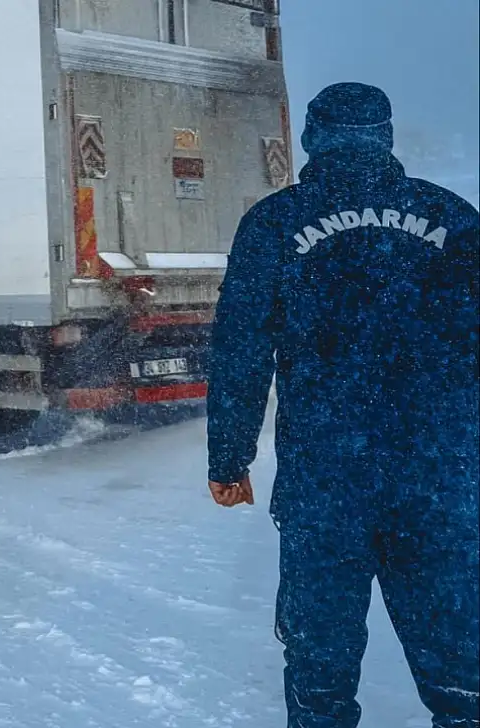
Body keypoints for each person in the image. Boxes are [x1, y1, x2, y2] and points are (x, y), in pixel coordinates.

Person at [206, 81, 479, 727]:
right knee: (462, 674)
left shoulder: (276, 222)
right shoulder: (456, 218)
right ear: (385, 135)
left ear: (311, 136)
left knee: (320, 673)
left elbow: (240, 352)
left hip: (326, 484)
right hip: (439, 481)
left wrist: (228, 459)